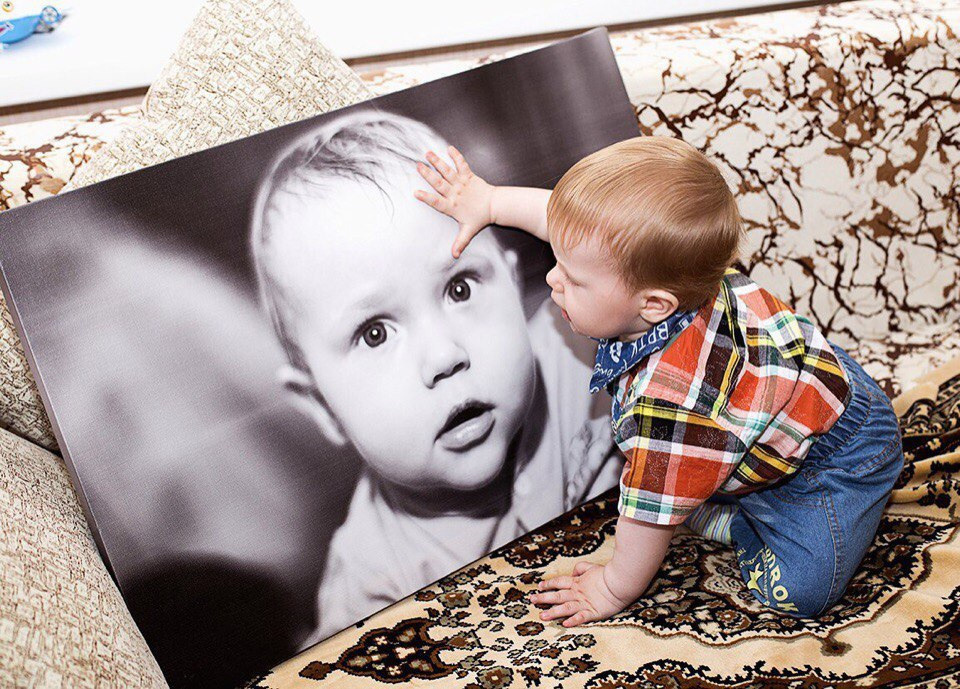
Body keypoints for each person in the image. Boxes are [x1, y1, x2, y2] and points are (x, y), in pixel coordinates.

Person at [414, 135, 904, 625]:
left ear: (653, 305)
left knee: (800, 593)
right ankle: (719, 488)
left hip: (834, 457)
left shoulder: (668, 406)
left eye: (573, 279)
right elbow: (560, 222)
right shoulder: (679, 271)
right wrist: (491, 201)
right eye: (558, 261)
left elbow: (646, 516)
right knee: (688, 467)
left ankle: (747, 518)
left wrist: (610, 589)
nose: (551, 280)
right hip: (789, 398)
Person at [248, 109, 622, 643]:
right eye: (374, 333)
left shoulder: (592, 357)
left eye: (461, 288)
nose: (444, 356)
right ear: (321, 407)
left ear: (518, 290)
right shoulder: (370, 589)